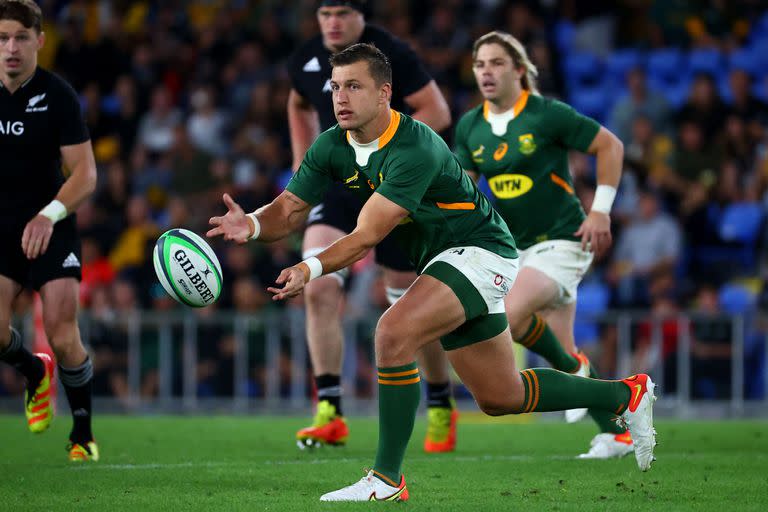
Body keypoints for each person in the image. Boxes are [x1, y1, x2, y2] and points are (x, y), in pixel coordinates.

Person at [209, 43, 656, 502]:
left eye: (354, 87)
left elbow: (367, 236)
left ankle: (386, 480)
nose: (340, 98)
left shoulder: (414, 146)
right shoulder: (331, 144)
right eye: (336, 87)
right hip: (445, 261)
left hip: (481, 252)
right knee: (501, 396)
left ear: (384, 94)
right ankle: (625, 396)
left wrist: (309, 267)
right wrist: (255, 223)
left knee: (392, 334)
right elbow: (290, 208)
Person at [286, 0, 455, 452]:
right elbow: (298, 100)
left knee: (408, 306)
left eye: (342, 13)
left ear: (362, 17)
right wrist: (302, 163)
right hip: (340, 184)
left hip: (393, 183)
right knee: (318, 284)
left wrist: (389, 156)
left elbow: (436, 112)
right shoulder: (304, 56)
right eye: (325, 14)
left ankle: (440, 402)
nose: (333, 23)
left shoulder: (391, 53)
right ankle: (329, 410)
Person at [454, 31, 632, 459]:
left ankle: (573, 366)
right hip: (516, 250)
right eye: (480, 65)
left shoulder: (546, 113)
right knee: (561, 348)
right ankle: (619, 431)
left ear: (519, 69)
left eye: (496, 63)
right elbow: (461, 191)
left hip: (564, 241)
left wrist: (601, 210)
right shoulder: (470, 126)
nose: (486, 72)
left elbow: (610, 145)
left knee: (506, 314)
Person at [0, 0, 99, 461]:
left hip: (51, 224)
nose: (10, 48)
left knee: (62, 333)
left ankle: (82, 432)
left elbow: (85, 174)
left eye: (20, 37)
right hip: (2, 228)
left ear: (39, 40)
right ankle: (33, 371)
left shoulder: (57, 95)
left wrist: (49, 215)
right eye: (1, 39)